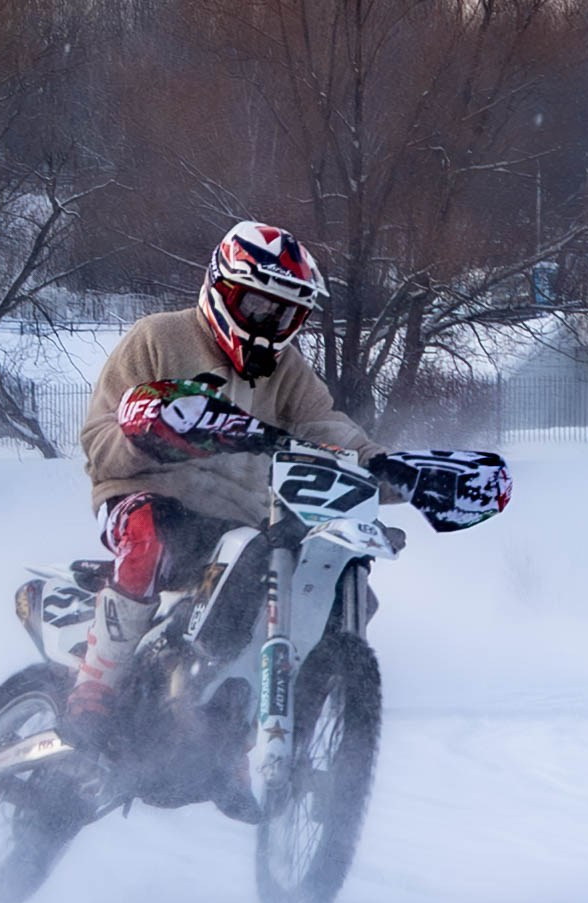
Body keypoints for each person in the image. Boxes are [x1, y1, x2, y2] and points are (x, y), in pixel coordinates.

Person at [64, 221, 396, 786]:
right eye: (257, 305)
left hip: (239, 521)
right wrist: (146, 432)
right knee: (149, 533)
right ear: (221, 288)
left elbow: (325, 425)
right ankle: (94, 686)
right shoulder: (157, 338)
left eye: (285, 313)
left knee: (286, 575)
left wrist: (383, 467)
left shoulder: (287, 372)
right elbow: (98, 442)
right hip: (146, 494)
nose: (269, 324)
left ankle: (230, 726)